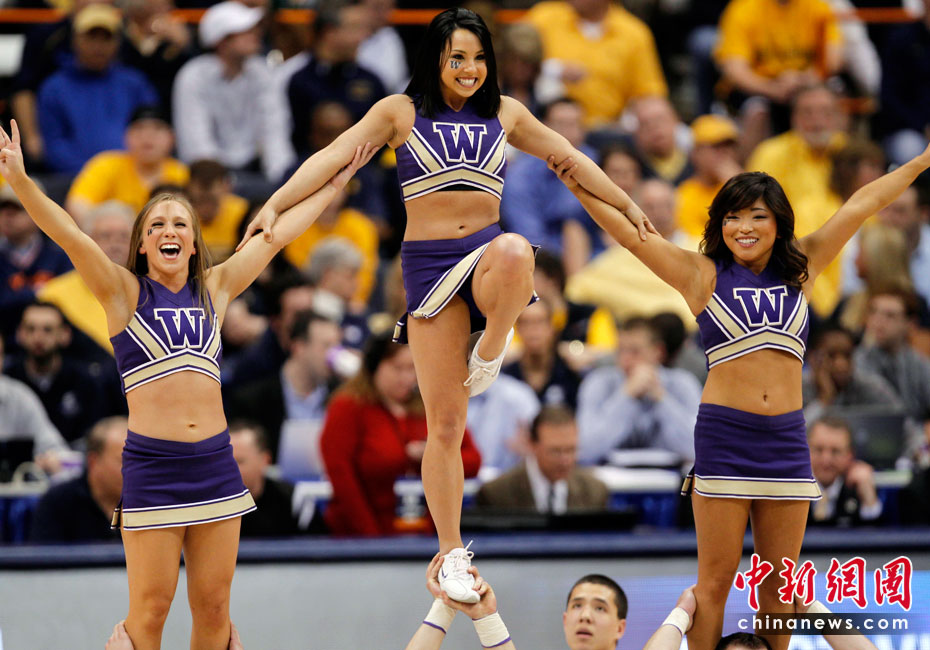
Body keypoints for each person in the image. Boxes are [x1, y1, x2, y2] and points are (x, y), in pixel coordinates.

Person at [236, 7, 653, 604]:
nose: (470, 69)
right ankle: (452, 550)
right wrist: (275, 203)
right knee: (446, 426)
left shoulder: (506, 113)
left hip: (485, 259)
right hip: (428, 268)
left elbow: (570, 159)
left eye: (479, 58)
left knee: (516, 249)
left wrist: (627, 204)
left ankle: (492, 346)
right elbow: (333, 157)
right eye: (458, 57)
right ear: (436, 58)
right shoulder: (399, 112)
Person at [0, 118, 374, 649]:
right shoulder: (122, 292)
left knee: (214, 609)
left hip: (216, 465)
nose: (169, 231)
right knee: (150, 610)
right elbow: (68, 233)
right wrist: (19, 180)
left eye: (180, 223)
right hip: (153, 467)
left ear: (195, 243)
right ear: (142, 244)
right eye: (156, 225)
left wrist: (333, 185)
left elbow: (278, 235)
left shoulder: (216, 287)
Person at [547, 138, 930, 650]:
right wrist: (576, 186)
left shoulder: (804, 266)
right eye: (732, 217)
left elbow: (862, 204)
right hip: (725, 438)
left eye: (756, 216)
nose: (743, 227)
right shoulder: (701, 273)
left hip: (787, 441)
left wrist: (922, 161)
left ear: (779, 224)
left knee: (779, 585)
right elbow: (630, 234)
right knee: (715, 581)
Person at [320, 331, 482, 536]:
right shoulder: (348, 407)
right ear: (374, 366)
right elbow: (341, 477)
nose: (406, 378)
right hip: (364, 535)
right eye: (397, 368)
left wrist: (435, 456)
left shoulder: (432, 405)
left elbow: (473, 461)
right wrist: (370, 537)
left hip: (427, 534)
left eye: (412, 368)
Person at [37, 4, 160, 174]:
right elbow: (54, 144)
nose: (98, 45)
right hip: (75, 178)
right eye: (91, 37)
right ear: (75, 40)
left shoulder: (135, 83)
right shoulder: (54, 88)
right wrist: (95, 175)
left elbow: (153, 129)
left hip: (134, 175)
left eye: (106, 38)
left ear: (117, 42)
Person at [576, 316, 701, 466]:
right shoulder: (598, 383)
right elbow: (585, 451)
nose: (626, 360)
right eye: (621, 351)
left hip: (672, 477)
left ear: (657, 352)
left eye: (635, 352)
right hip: (609, 476)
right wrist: (625, 396)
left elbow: (698, 449)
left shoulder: (683, 384)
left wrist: (661, 399)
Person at [65, 106, 189, 226]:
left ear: (172, 137)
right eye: (139, 129)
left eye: (157, 128)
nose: (147, 136)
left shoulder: (181, 174)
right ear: (126, 136)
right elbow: (77, 205)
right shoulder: (107, 165)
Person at [475, 404, 607, 514]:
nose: (565, 460)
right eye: (555, 451)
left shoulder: (594, 492)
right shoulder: (496, 494)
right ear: (532, 445)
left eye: (571, 450)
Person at [31, 416, 128, 542]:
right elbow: (43, 553)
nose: (135, 471)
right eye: (124, 461)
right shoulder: (57, 504)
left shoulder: (148, 503)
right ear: (93, 461)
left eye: (141, 461)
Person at [229, 420, 304, 537]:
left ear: (265, 460)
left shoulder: (294, 501)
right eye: (226, 462)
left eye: (240, 461)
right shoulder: (209, 504)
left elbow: (319, 545)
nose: (230, 469)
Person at [807, 416, 883, 526]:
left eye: (835, 451)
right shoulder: (793, 489)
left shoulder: (857, 489)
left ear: (850, 455)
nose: (826, 460)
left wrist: (868, 499)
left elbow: (878, 534)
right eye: (819, 449)